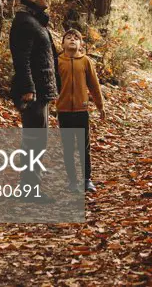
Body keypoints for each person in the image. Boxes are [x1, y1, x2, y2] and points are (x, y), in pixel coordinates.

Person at [9, 0, 60, 202]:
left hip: (42, 91)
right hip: (34, 92)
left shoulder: (35, 22)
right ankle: (29, 190)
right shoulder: (24, 22)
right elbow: (22, 59)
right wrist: (28, 88)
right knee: (33, 141)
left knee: (39, 141)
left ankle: (32, 188)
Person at [56, 29, 105, 193]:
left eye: (76, 38)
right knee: (68, 147)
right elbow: (53, 84)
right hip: (63, 111)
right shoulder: (58, 61)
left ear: (81, 44)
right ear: (62, 44)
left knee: (84, 146)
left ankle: (86, 179)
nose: (72, 40)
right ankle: (72, 181)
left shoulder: (85, 61)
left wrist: (100, 106)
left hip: (81, 110)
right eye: (68, 38)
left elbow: (94, 85)